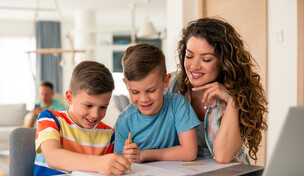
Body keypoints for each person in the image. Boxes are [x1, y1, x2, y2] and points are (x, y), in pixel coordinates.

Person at [168, 17, 267, 164]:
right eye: (189, 56)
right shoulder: (173, 85)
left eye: (206, 59)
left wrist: (232, 101)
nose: (194, 66)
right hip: (187, 170)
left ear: (224, 62)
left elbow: (223, 157)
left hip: (228, 173)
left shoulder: (237, 93)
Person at [34, 61, 132, 176]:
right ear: (70, 98)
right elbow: (53, 157)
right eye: (88, 106)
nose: (95, 115)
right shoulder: (50, 119)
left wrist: (127, 158)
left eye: (103, 107)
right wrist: (98, 163)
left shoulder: (108, 134)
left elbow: (112, 170)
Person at [114, 43, 200, 163]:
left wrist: (144, 155)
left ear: (166, 81)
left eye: (151, 90)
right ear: (126, 85)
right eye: (135, 92)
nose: (143, 99)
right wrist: (128, 157)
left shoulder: (178, 104)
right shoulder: (124, 121)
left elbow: (189, 152)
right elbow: (119, 160)